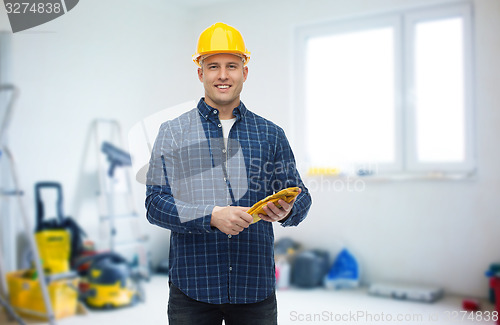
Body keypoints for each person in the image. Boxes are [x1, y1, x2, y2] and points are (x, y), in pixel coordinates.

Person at [145, 22, 312, 325]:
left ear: (244, 72)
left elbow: (301, 195)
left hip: (254, 289)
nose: (223, 75)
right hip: (192, 288)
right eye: (213, 66)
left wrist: (288, 209)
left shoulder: (270, 134)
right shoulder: (173, 133)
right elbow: (155, 204)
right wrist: (210, 216)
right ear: (200, 73)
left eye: (232, 66)